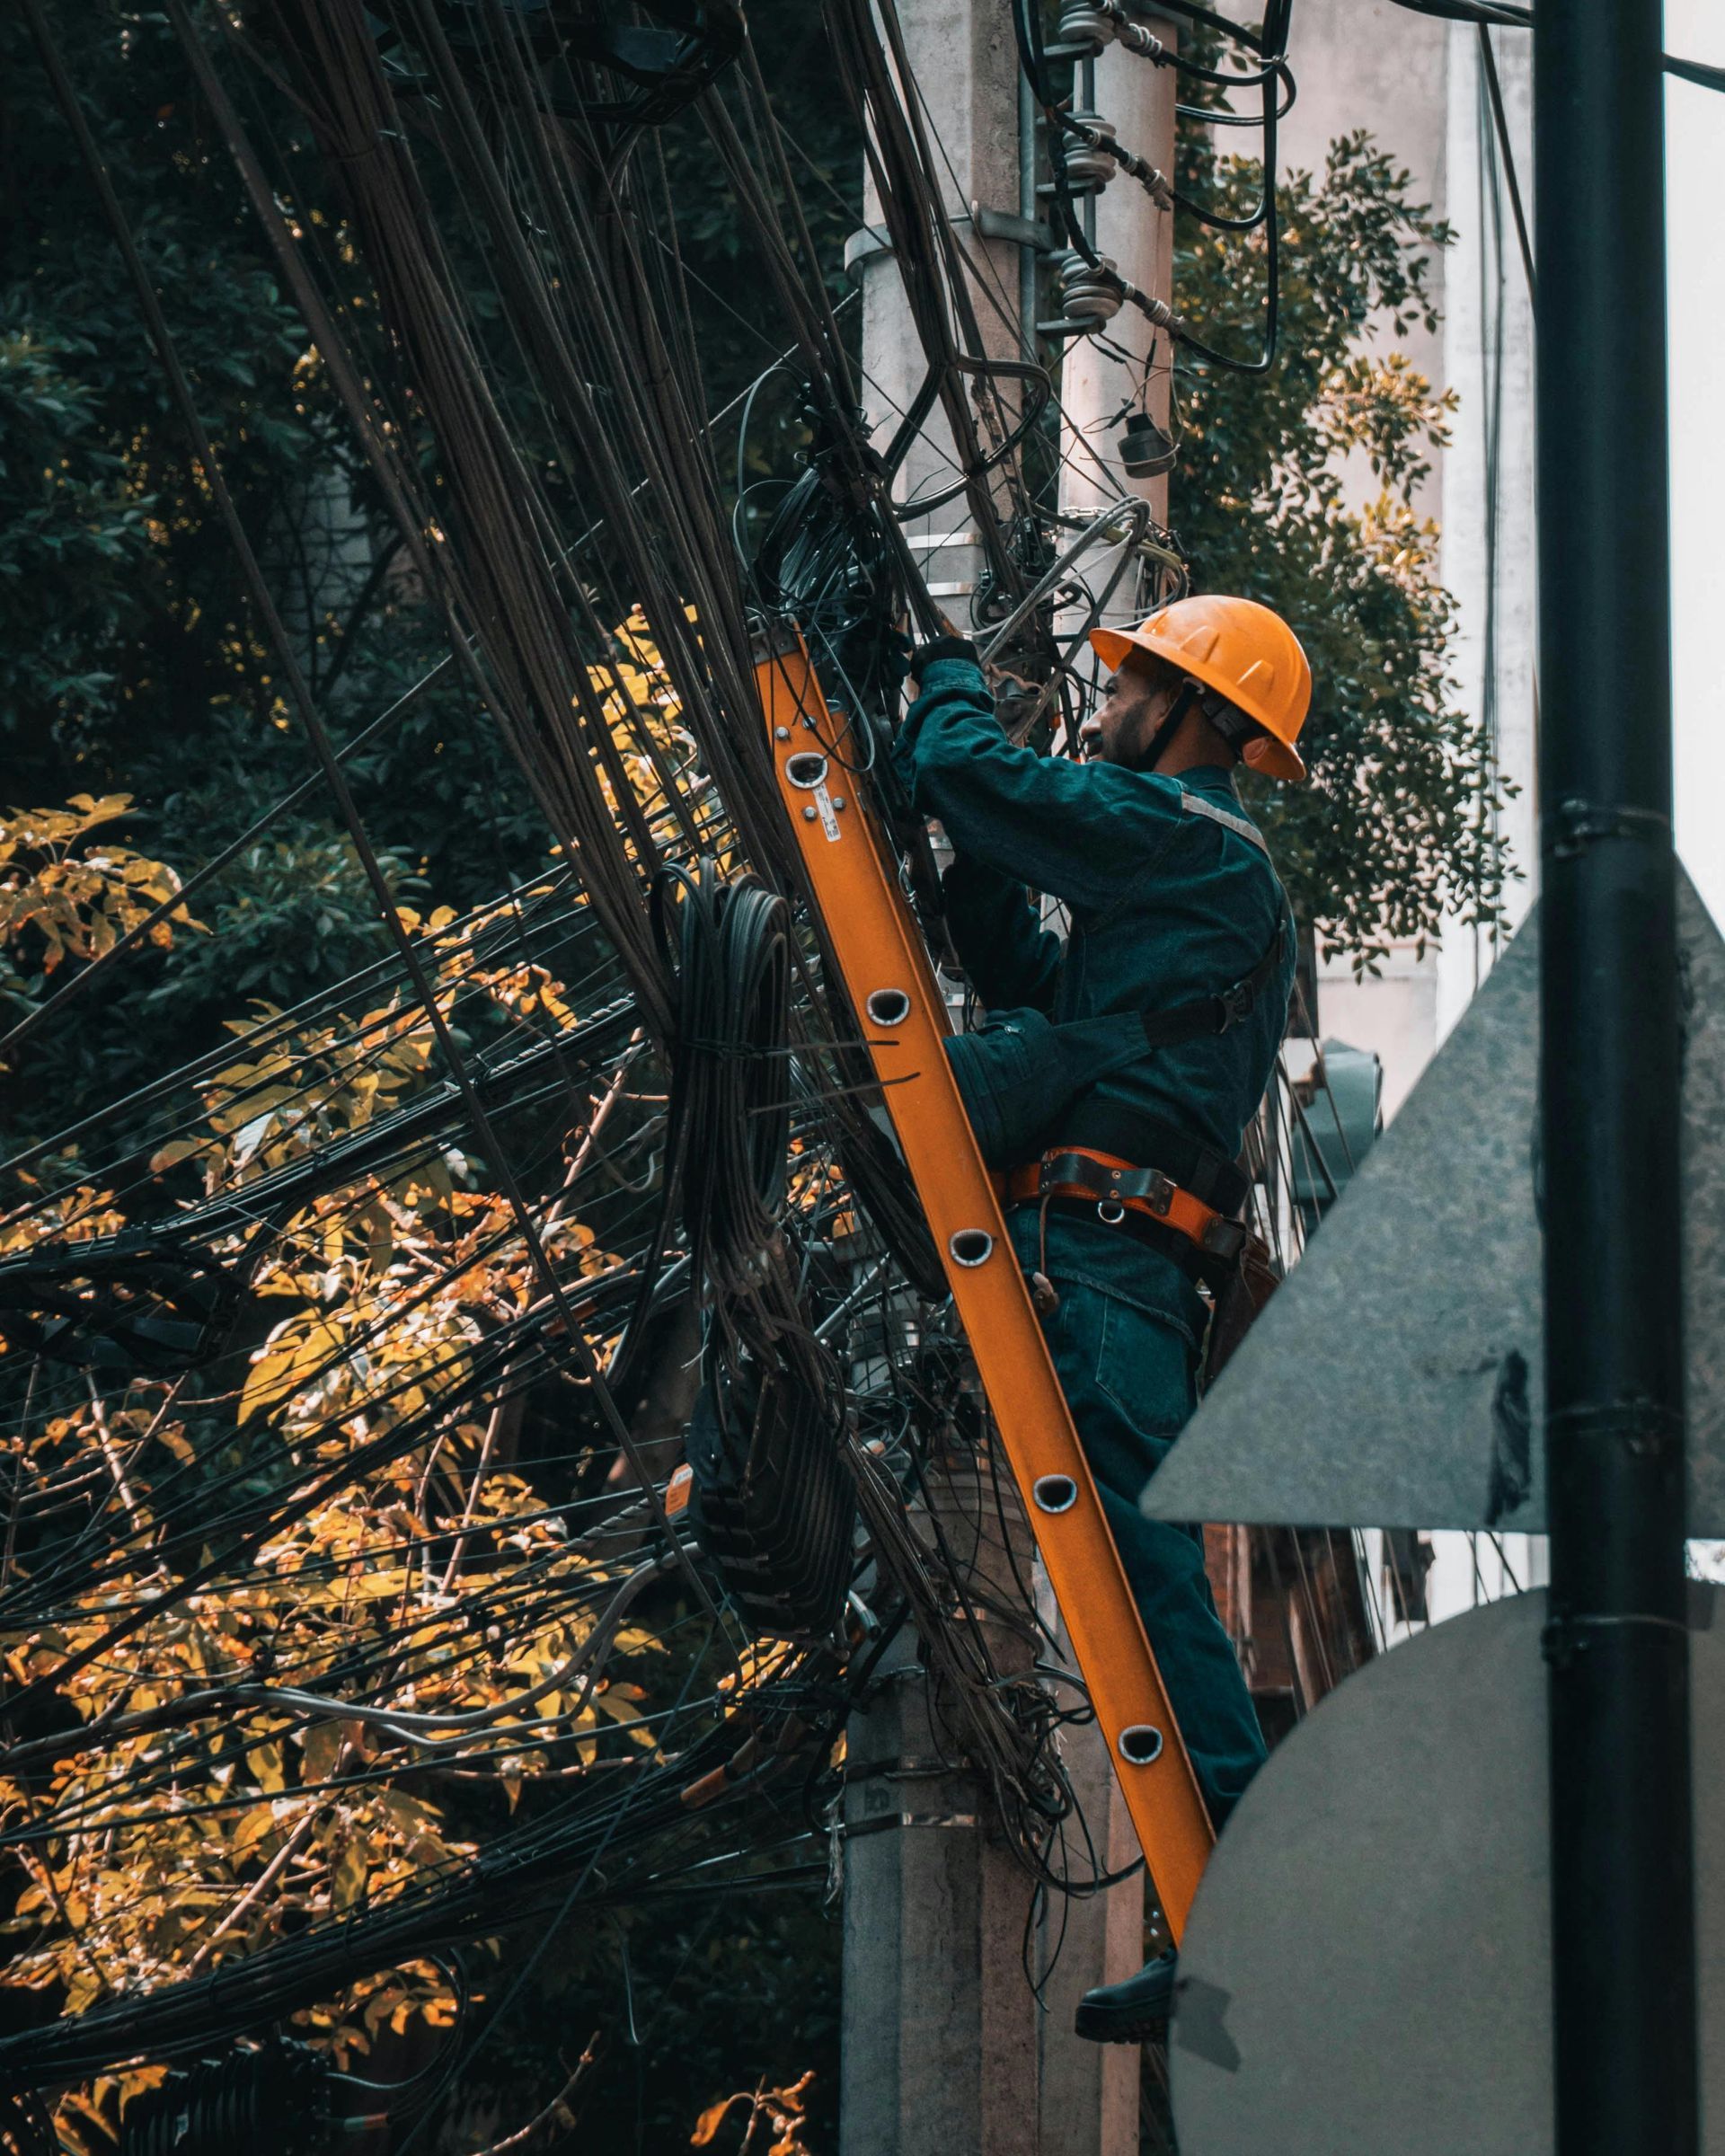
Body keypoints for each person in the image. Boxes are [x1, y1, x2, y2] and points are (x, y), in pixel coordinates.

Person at [893, 594, 1311, 2045]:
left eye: (1135, 681)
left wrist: (944, 684)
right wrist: (963, 869)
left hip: (1122, 1254)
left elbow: (983, 783)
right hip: (1115, 1247)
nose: (1108, 696)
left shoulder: (1194, 841)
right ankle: (1234, 1906)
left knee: (1142, 1567)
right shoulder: (1183, 887)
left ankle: (1250, 1895)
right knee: (1132, 1562)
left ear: (1200, 715)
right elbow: (1053, 988)